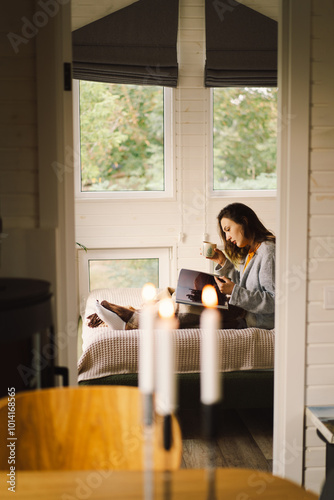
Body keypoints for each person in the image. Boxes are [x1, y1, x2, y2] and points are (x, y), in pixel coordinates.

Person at [208, 202, 275, 330]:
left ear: (244, 221)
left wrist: (234, 292)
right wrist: (223, 262)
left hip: (259, 325)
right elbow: (245, 286)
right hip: (246, 318)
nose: (227, 237)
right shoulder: (251, 251)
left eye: (228, 230)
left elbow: (274, 301)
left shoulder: (268, 252)